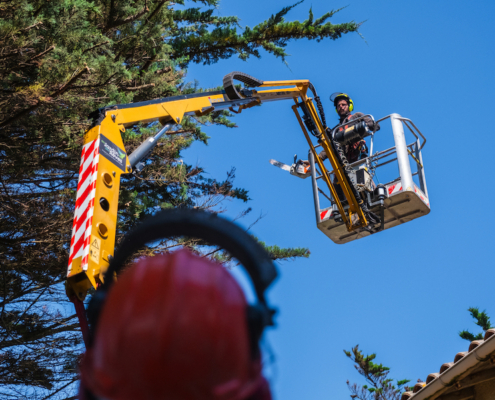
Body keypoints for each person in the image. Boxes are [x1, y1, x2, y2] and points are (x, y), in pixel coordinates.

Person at [319, 92, 379, 163]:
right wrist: (316, 159)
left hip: (358, 158)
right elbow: (328, 147)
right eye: (338, 105)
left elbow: (375, 126)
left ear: (350, 106)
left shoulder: (356, 116)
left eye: (343, 104)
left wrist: (359, 129)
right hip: (344, 164)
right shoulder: (336, 130)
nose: (341, 107)